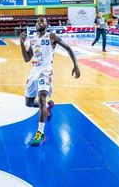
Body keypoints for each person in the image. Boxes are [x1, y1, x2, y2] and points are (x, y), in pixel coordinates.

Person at [19, 17, 80, 146]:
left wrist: (75, 65)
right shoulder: (33, 39)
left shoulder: (52, 36)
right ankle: (47, 106)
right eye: (37, 21)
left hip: (46, 71)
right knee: (29, 103)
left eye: (42, 21)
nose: (39, 23)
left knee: (41, 97)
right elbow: (27, 58)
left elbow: (68, 48)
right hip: (34, 71)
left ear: (47, 25)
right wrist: (22, 43)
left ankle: (40, 133)